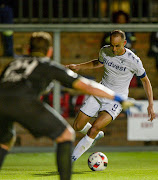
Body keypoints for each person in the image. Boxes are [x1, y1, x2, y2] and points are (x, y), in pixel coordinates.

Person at [0, 32, 136, 180]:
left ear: (27, 49)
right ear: (50, 51)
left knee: (6, 139)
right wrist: (117, 98)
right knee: (66, 134)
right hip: (24, 102)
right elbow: (85, 86)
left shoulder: (12, 64)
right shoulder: (47, 65)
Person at [66, 30, 156, 162]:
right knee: (77, 126)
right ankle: (95, 136)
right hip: (99, 92)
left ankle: (70, 160)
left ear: (124, 43)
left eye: (117, 46)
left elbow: (146, 81)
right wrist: (79, 67)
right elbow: (98, 62)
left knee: (95, 128)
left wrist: (151, 105)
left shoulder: (134, 61)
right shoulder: (105, 50)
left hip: (116, 100)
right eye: (112, 45)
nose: (113, 49)